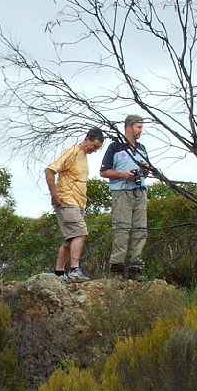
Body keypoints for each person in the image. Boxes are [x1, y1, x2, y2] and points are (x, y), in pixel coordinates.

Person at [45, 128, 106, 283]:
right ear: (87, 139)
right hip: (66, 200)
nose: (94, 150)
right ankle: (74, 269)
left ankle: (58, 273)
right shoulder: (72, 152)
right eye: (94, 146)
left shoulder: (84, 156)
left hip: (79, 203)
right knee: (80, 232)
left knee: (70, 239)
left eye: (98, 148)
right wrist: (54, 195)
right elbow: (50, 170)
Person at [100, 114, 150, 281]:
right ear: (129, 127)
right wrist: (122, 174)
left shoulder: (142, 148)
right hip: (121, 192)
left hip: (140, 191)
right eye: (139, 127)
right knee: (122, 229)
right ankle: (117, 268)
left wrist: (145, 168)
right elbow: (103, 171)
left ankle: (136, 267)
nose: (141, 130)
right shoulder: (115, 147)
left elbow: (147, 173)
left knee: (140, 229)